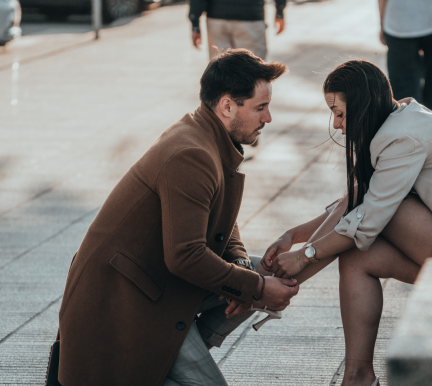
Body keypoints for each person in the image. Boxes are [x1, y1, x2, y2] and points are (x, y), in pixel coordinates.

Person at [53, 49, 299, 386]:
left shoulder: (205, 136)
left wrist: (244, 271)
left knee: (259, 269)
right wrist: (255, 290)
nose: (268, 118)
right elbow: (185, 256)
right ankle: (168, 359)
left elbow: (221, 218)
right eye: (260, 108)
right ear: (227, 107)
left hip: (157, 290)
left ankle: (174, 357)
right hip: (127, 308)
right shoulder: (192, 154)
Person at [261, 60, 432, 386]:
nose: (338, 125)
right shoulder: (401, 119)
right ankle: (358, 377)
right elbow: (350, 203)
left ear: (363, 104)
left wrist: (301, 259)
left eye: (340, 113)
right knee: (357, 256)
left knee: (377, 214)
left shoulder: (401, 137)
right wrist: (293, 237)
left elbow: (365, 219)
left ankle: (272, 293)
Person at [378, 0, 432, 116]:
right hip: (411, 23)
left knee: (409, 91)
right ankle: (431, 128)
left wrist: (382, 24)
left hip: (427, 22)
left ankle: (414, 128)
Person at [189, 0, 287, 60]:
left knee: (220, 71)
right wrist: (279, 10)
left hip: (217, 18)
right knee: (253, 71)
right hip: (250, 17)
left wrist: (195, 22)